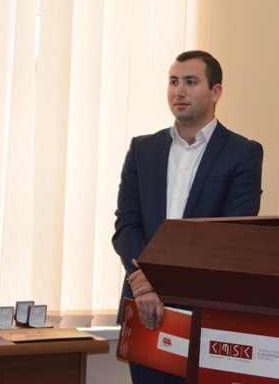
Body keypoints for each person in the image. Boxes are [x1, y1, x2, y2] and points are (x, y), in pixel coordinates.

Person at [112, 50, 263, 384]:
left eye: (191, 82)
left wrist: (157, 279)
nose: (178, 91)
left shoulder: (243, 153)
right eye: (173, 81)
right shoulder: (142, 150)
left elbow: (231, 237)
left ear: (215, 92)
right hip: (145, 307)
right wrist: (145, 284)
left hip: (206, 312)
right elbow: (126, 225)